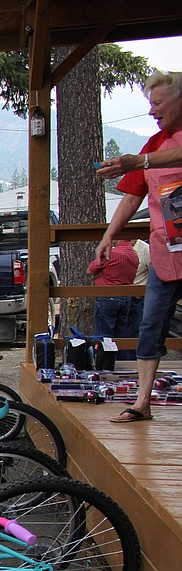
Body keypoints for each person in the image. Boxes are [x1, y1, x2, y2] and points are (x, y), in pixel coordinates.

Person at [96, 71, 182, 423]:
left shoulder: (149, 154)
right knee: (150, 327)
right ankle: (142, 403)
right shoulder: (153, 144)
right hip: (166, 254)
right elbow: (132, 196)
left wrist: (141, 161)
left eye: (157, 103)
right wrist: (108, 236)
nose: (152, 111)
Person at [88, 239, 141, 361]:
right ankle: (124, 364)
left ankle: (105, 364)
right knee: (122, 335)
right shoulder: (134, 255)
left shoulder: (111, 253)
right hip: (126, 298)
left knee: (104, 335)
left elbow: (90, 269)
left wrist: (101, 273)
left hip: (107, 297)